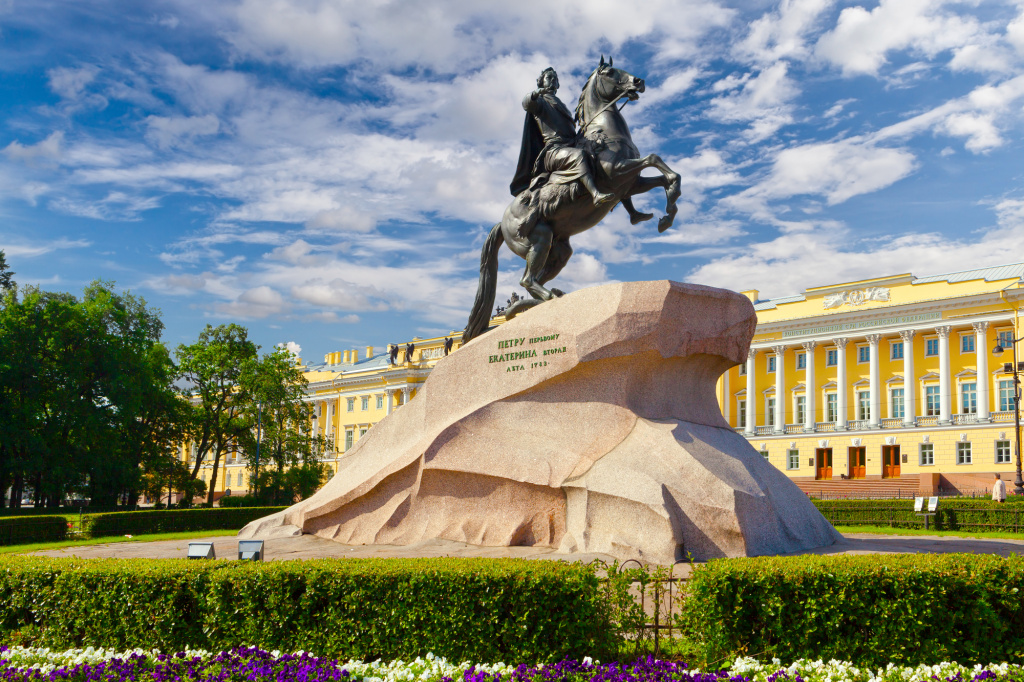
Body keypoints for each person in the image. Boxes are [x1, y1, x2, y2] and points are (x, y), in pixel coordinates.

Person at [510, 67, 615, 207]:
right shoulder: (540, 101)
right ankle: (595, 194)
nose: (553, 80)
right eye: (549, 78)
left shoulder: (561, 104)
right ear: (541, 82)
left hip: (570, 144)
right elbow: (527, 103)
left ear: (558, 84)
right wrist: (535, 94)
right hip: (553, 151)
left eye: (555, 79)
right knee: (579, 156)